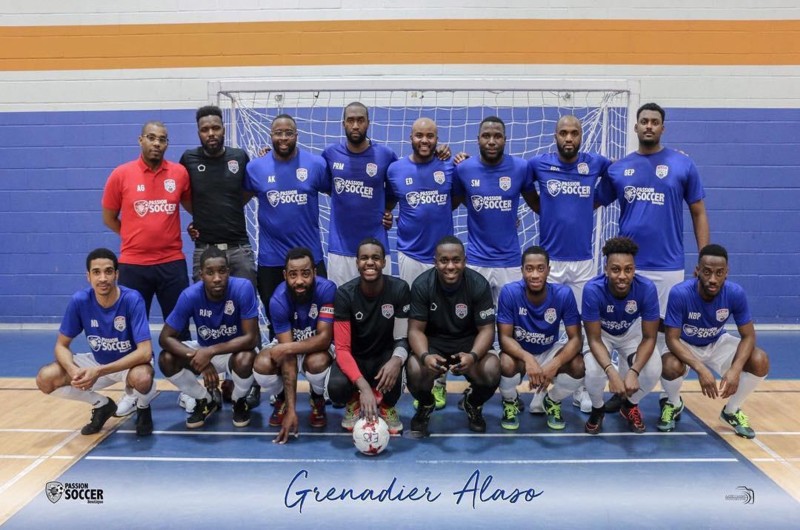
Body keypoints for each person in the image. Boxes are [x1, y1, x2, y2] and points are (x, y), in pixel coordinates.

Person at [596, 102, 710, 412]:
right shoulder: (619, 169)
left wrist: (704, 258)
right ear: (635, 127)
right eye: (644, 121)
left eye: (654, 121)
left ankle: (670, 399)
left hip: (668, 267)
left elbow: (698, 212)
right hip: (628, 268)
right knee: (626, 332)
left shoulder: (682, 164)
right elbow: (589, 202)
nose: (649, 125)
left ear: (662, 128)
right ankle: (624, 394)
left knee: (664, 337)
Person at [527, 115, 613, 415]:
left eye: (574, 133)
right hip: (549, 263)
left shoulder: (595, 163)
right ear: (555, 136)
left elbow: (623, 170)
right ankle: (540, 389)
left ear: (581, 136)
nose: (569, 138)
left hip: (583, 263)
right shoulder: (539, 164)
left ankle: (581, 390)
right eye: (563, 132)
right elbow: (519, 184)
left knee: (586, 329)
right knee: (545, 327)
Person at [180, 104, 260, 411]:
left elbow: (245, 193)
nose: (211, 133)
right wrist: (200, 218)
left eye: (215, 127)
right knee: (206, 316)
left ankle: (248, 382)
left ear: (223, 128)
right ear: (198, 132)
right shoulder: (189, 160)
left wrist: (226, 208)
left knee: (246, 314)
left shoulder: (239, 157)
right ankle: (209, 383)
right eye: (205, 129)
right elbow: (187, 198)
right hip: (205, 249)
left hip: (239, 247)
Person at [35, 248, 155, 437]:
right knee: (46, 378)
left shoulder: (132, 299)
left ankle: (143, 407)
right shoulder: (80, 301)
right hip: (99, 361)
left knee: (142, 378)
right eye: (96, 272)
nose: (103, 278)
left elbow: (145, 352)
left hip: (130, 364)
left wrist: (98, 371)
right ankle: (102, 405)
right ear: (88, 276)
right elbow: (61, 345)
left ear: (117, 274)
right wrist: (73, 371)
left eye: (108, 271)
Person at [660, 244, 769, 439]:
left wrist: (735, 369)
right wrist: (701, 369)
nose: (713, 279)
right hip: (685, 343)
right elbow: (671, 338)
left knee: (760, 360)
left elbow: (748, 336)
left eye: (719, 273)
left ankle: (731, 410)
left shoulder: (735, 293)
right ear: (697, 271)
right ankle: (674, 403)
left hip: (717, 342)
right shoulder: (680, 293)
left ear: (726, 273)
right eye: (707, 272)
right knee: (669, 365)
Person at [386, 117, 455, 410]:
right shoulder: (395, 170)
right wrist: (386, 216)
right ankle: (416, 376)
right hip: (410, 255)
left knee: (443, 322)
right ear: (410, 138)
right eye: (419, 136)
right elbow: (387, 204)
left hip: (444, 261)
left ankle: (439, 382)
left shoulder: (450, 166)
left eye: (430, 136)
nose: (424, 141)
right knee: (415, 320)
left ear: (437, 139)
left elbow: (461, 198)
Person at [101, 121, 192, 343]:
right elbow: (108, 218)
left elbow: (194, 208)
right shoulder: (121, 174)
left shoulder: (179, 173)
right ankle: (139, 367)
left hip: (172, 264)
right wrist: (132, 235)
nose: (156, 143)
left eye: (162, 139)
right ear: (140, 140)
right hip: (133, 265)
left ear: (167, 144)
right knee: (130, 329)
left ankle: (183, 366)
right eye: (151, 138)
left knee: (180, 330)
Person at [243, 114, 329, 340]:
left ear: (296, 135)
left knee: (316, 324)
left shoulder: (316, 165)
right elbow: (236, 201)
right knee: (277, 325)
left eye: (288, 133)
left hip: (311, 259)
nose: (283, 138)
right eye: (278, 133)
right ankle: (280, 361)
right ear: (271, 135)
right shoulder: (255, 168)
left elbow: (340, 195)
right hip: (271, 261)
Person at [158, 247, 259, 429]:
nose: (217, 278)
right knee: (166, 359)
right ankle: (205, 399)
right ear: (201, 275)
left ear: (228, 271)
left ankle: (239, 400)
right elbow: (165, 338)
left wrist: (210, 352)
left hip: (234, 351)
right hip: (203, 348)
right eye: (210, 272)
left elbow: (251, 338)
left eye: (222, 271)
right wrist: (200, 359)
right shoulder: (190, 295)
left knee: (246, 359)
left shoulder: (243, 288)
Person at [407, 236, 499, 436]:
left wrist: (473, 356)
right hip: (434, 346)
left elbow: (487, 330)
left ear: (465, 261)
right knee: (413, 368)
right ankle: (426, 404)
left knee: (492, 369)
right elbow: (415, 330)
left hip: (468, 345)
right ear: (435, 262)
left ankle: (472, 403)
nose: (450, 266)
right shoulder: (422, 285)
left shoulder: (478, 284)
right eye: (444, 260)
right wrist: (425, 356)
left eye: (456, 260)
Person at [252, 247, 336, 444]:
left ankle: (317, 397)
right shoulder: (278, 300)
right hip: (289, 345)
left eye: (305, 274)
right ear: (285, 275)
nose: (299, 281)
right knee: (262, 365)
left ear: (315, 272)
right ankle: (281, 398)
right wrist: (292, 410)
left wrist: (287, 348)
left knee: (317, 363)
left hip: (317, 348)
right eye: (293, 275)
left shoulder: (327, 290)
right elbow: (288, 357)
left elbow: (324, 339)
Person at [452, 116, 538, 305]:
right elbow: (452, 204)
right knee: (474, 319)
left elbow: (537, 205)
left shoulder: (521, 167)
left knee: (512, 318)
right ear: (478, 139)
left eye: (497, 136)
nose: (491, 141)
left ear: (505, 140)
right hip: (476, 261)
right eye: (486, 136)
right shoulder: (463, 169)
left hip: (510, 262)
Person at [496, 246, 584, 431]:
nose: (535, 275)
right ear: (522, 270)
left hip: (549, 350)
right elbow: (504, 338)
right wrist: (528, 359)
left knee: (578, 365)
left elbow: (576, 339)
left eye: (540, 268)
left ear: (548, 270)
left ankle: (552, 400)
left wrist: (555, 364)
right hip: (520, 352)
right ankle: (510, 401)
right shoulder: (509, 292)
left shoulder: (563, 294)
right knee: (504, 363)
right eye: (529, 269)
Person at [329, 238, 410, 435]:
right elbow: (342, 349)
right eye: (364, 258)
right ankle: (353, 401)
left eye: (376, 257)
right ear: (357, 263)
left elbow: (402, 338)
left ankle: (387, 405)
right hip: (355, 357)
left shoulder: (399, 289)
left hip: (384, 357)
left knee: (396, 366)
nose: (370, 262)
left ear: (384, 262)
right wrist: (364, 387)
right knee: (336, 388)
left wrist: (396, 360)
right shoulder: (344, 294)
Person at [581, 237, 662, 434]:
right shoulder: (592, 290)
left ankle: (629, 405)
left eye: (628, 269)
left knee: (653, 370)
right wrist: (612, 372)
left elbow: (649, 337)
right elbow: (594, 339)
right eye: (616, 269)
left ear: (634, 270)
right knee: (594, 371)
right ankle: (598, 409)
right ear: (606, 269)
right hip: (602, 335)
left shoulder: (647, 288)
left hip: (631, 333)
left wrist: (634, 371)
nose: (622, 276)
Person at [321, 102, 397, 286]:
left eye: (360, 120)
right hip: (340, 249)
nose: (355, 125)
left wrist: (387, 210)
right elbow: (328, 187)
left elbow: (395, 190)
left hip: (376, 248)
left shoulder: (385, 155)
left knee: (380, 302)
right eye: (351, 120)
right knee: (341, 302)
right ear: (343, 124)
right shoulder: (330, 154)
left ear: (368, 123)